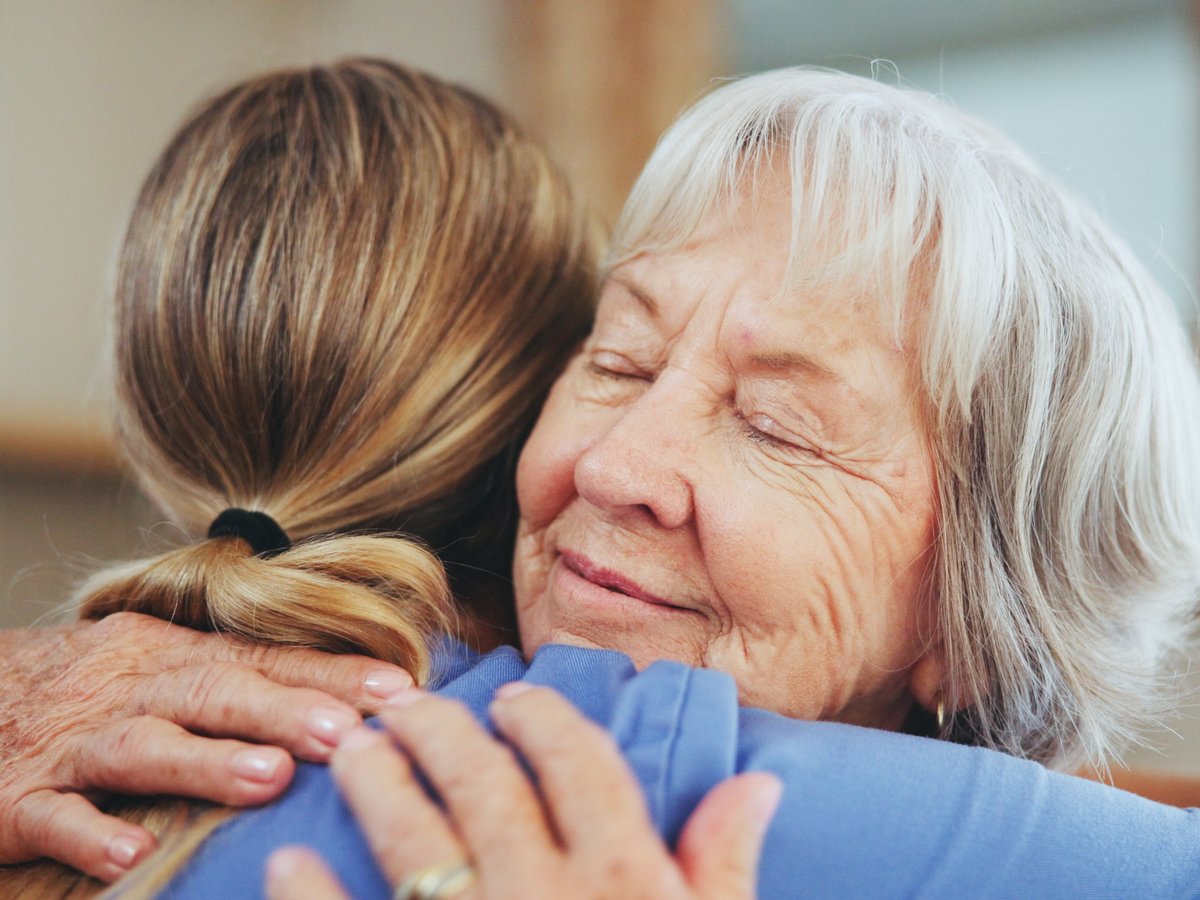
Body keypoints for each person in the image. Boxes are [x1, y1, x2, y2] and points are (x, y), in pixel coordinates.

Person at [3, 62, 1200, 895]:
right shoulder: (618, 754)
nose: (613, 464)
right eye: (619, 357)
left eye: (778, 427)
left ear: (985, 622)